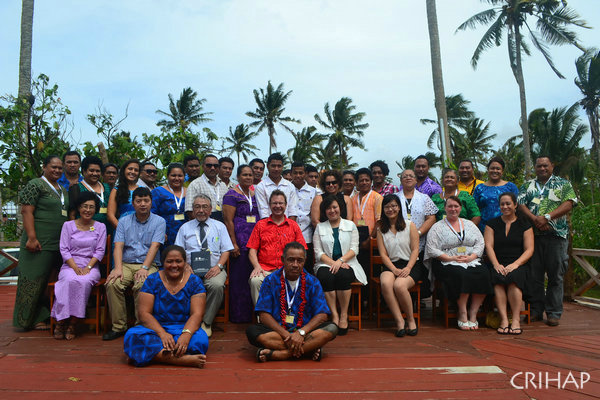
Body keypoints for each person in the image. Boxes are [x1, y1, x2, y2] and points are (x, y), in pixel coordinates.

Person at [246, 242, 338, 362]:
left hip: (305, 332)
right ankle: (308, 350)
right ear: (283, 260)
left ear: (304, 261)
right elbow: (263, 315)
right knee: (252, 332)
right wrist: (287, 336)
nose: (295, 265)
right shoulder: (270, 280)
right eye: (291, 260)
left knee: (332, 329)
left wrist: (301, 332)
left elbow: (322, 315)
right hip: (278, 332)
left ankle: (281, 354)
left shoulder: (313, 281)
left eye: (299, 260)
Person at [123, 245, 208, 368]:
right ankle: (180, 360)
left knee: (199, 341)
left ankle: (150, 355)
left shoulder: (195, 282)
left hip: (183, 328)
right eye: (169, 261)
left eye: (178, 261)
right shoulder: (152, 280)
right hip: (156, 329)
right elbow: (144, 314)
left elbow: (197, 314)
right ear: (163, 263)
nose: (174, 265)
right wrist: (162, 333)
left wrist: (186, 335)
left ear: (185, 263)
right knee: (132, 336)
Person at [518, 156, 577, 326]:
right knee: (534, 275)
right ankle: (535, 310)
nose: (542, 168)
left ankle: (553, 312)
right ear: (535, 168)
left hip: (556, 236)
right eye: (539, 166)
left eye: (545, 165)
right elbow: (521, 204)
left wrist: (547, 217)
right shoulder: (528, 185)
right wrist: (535, 219)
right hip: (533, 237)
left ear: (552, 166)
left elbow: (569, 204)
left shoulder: (563, 184)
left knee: (555, 275)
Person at [13, 155, 69, 330]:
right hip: (37, 242)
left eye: (60, 168)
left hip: (56, 244)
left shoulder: (62, 189)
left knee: (46, 284)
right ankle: (24, 321)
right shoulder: (35, 184)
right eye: (53, 167)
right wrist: (31, 237)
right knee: (31, 282)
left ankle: (41, 317)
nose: (57, 170)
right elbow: (27, 211)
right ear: (44, 166)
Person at [103, 187, 166, 341]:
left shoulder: (159, 221)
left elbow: (155, 246)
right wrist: (117, 268)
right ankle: (119, 327)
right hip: (125, 263)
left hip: (149, 264)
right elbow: (118, 246)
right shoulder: (124, 221)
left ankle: (141, 325)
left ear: (151, 202)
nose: (143, 204)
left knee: (142, 284)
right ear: (133, 203)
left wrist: (145, 268)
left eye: (146, 201)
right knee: (113, 283)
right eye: (139, 201)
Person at [424, 196, 492, 330]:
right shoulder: (437, 227)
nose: (453, 209)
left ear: (460, 208)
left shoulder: (469, 224)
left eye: (456, 206)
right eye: (450, 206)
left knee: (484, 274)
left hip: (470, 260)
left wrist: (472, 257)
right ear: (445, 208)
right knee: (461, 274)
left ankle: (473, 313)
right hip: (446, 262)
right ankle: (462, 312)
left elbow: (480, 242)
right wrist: (450, 259)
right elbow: (431, 249)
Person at [175, 195, 233, 337]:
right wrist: (185, 266)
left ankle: (205, 322)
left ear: (211, 209)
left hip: (214, 268)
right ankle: (185, 320)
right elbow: (178, 251)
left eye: (204, 207)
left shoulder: (220, 226)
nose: (201, 210)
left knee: (217, 285)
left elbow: (226, 250)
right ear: (192, 210)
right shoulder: (184, 228)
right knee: (180, 283)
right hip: (189, 269)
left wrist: (219, 266)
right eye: (197, 207)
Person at [51, 191, 107, 340]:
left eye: (91, 207)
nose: (88, 210)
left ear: (96, 209)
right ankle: (61, 321)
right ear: (78, 208)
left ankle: (73, 323)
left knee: (83, 281)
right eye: (84, 206)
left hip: (91, 266)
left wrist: (88, 267)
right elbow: (64, 248)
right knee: (68, 281)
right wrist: (75, 267)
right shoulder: (68, 225)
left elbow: (100, 250)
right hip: (70, 265)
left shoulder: (100, 227)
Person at [313, 195, 367, 335]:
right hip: (325, 264)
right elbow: (318, 252)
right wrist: (333, 263)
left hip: (347, 263)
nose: (332, 210)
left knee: (343, 275)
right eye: (328, 208)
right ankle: (334, 315)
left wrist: (340, 261)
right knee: (326, 277)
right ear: (324, 211)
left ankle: (344, 315)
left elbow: (355, 249)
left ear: (340, 209)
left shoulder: (350, 225)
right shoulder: (319, 227)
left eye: (335, 207)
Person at [485, 192, 534, 335]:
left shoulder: (525, 224)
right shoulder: (491, 224)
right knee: (498, 279)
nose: (505, 207)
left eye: (508, 204)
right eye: (502, 204)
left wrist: (515, 264)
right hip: (498, 262)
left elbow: (529, 249)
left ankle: (516, 320)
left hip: (519, 263)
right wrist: (496, 264)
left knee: (514, 279)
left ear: (515, 205)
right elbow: (489, 246)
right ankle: (504, 319)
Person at [246, 190, 307, 305]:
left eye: (281, 203)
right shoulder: (260, 225)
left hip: (288, 270)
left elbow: (303, 250)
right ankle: (262, 318)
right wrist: (257, 266)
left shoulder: (293, 226)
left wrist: (295, 267)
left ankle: (289, 317)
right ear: (269, 205)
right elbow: (252, 250)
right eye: (274, 203)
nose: (278, 206)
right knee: (255, 281)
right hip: (265, 270)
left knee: (303, 281)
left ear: (286, 205)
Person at [376, 194, 422, 337]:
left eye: (394, 206)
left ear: (399, 207)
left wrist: (408, 268)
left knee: (399, 286)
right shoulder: (381, 229)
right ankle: (399, 321)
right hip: (392, 265)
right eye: (387, 206)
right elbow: (383, 255)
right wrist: (394, 269)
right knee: (385, 282)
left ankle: (410, 320)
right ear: (383, 209)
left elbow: (415, 249)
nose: (391, 209)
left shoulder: (410, 225)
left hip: (411, 264)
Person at [222, 165, 261, 323]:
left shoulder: (256, 193)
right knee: (240, 280)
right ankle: (239, 316)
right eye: (244, 174)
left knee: (254, 279)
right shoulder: (231, 194)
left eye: (250, 175)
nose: (248, 177)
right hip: (240, 241)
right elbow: (227, 220)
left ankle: (255, 314)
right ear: (237, 177)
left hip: (256, 242)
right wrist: (233, 243)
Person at [395, 170, 438, 254]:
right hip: (398, 241)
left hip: (420, 241)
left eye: (411, 176)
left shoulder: (424, 198)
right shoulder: (394, 198)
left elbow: (431, 218)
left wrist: (418, 233)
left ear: (416, 180)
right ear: (401, 181)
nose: (408, 178)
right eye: (405, 176)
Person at [473, 156, 519, 231]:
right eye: (492, 168)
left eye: (498, 169)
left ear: (502, 171)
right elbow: (475, 210)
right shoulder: (479, 188)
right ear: (488, 170)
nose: (495, 171)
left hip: (507, 227)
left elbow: (517, 208)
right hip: (484, 228)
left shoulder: (511, 187)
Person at [68, 156, 111, 227]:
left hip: (106, 229)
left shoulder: (107, 187)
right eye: (91, 170)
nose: (95, 173)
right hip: (83, 230)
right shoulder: (76, 188)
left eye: (97, 171)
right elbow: (72, 214)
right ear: (84, 171)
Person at [151, 163, 187, 246]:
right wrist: (158, 232)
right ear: (167, 176)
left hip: (185, 233)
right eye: (173, 175)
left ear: (184, 177)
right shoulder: (158, 192)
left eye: (180, 176)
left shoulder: (189, 191)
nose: (177, 178)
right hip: (165, 233)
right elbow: (152, 214)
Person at [255, 153, 298, 220]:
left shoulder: (290, 186)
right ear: (267, 166)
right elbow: (263, 212)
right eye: (273, 166)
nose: (276, 169)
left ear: (283, 166)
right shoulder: (261, 186)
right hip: (268, 227)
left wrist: (288, 228)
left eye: (279, 166)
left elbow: (292, 211)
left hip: (287, 227)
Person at [185, 154, 228, 222]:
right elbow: (190, 211)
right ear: (203, 166)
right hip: (203, 223)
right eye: (209, 165)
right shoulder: (195, 184)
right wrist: (205, 225)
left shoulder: (223, 185)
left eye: (215, 166)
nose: (212, 168)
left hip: (222, 224)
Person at [291, 162, 317, 271]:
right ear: (291, 173)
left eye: (300, 173)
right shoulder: (287, 189)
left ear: (305, 174)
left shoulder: (314, 192)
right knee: (291, 266)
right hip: (290, 235)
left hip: (307, 236)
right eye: (295, 173)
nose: (298, 175)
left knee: (306, 267)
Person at [107, 159, 140, 230]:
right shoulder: (116, 190)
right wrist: (122, 230)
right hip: (122, 228)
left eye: (136, 170)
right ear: (124, 170)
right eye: (130, 169)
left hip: (141, 229)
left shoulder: (143, 190)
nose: (133, 172)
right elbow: (110, 215)